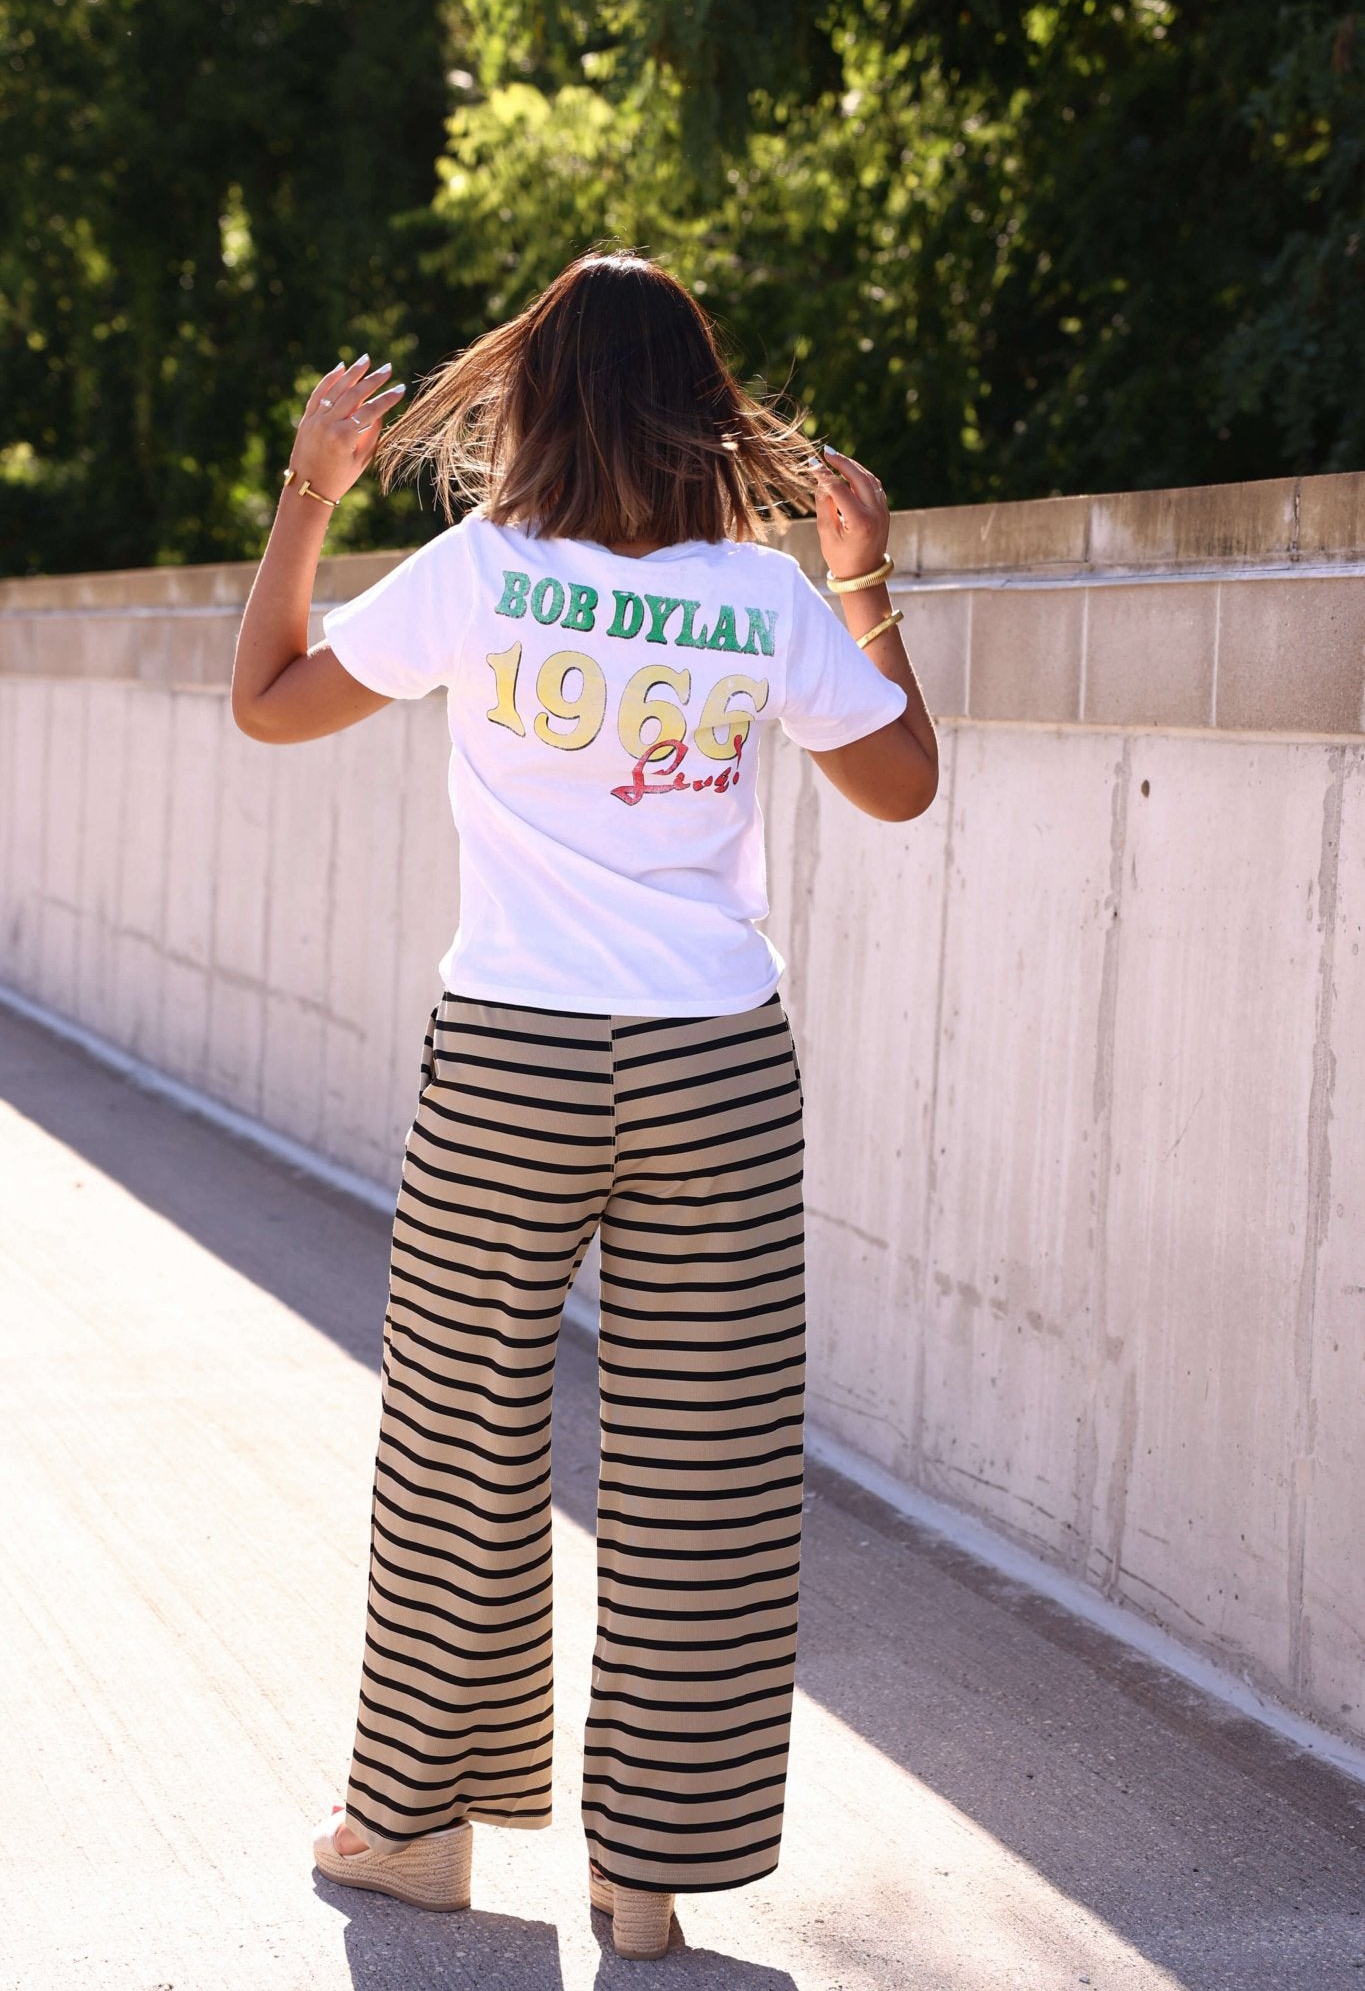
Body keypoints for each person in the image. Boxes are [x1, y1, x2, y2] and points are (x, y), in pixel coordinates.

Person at [230, 249, 938, 1960]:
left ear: (535, 398)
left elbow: (265, 704)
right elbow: (904, 785)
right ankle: (645, 1880)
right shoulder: (761, 596)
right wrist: (866, 581)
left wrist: (310, 496)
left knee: (461, 1449)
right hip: (713, 1060)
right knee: (706, 1476)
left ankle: (411, 1833)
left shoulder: (477, 573)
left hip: (512, 1057)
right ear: (705, 409)